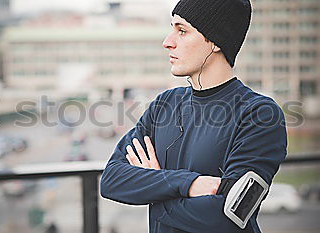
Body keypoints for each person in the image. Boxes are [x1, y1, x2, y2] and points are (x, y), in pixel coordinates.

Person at [100, 0, 287, 232]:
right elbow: (111, 181)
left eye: (182, 31)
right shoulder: (164, 104)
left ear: (215, 41)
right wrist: (189, 184)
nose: (167, 42)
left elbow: (228, 218)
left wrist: (154, 187)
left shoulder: (259, 114)